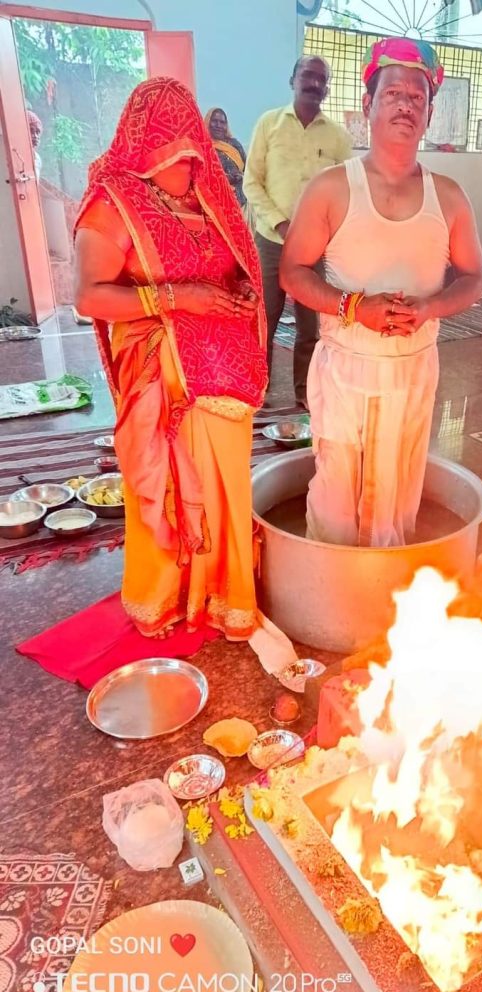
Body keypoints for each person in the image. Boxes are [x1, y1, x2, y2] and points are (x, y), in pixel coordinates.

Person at [74, 77, 268, 640]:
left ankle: (224, 594)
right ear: (142, 141)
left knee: (226, 481)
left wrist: (242, 291)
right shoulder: (113, 202)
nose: (185, 156)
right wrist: (178, 300)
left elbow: (233, 269)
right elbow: (89, 297)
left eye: (189, 143)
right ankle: (164, 596)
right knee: (170, 486)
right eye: (170, 143)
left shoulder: (209, 195)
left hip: (223, 368)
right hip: (162, 371)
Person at [280, 37, 482, 547]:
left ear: (429, 114)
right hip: (346, 371)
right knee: (336, 502)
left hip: (413, 371)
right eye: (393, 93)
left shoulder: (450, 197)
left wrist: (430, 307)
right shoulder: (331, 188)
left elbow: (474, 278)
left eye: (417, 97)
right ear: (368, 104)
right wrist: (353, 307)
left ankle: (385, 588)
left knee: (397, 496)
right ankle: (324, 586)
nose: (405, 105)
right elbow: (293, 272)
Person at [243, 55, 352, 408]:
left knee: (310, 325)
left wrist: (325, 233)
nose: (315, 83)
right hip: (271, 241)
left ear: (327, 88)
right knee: (265, 320)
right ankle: (257, 391)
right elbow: (251, 182)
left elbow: (345, 190)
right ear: (293, 80)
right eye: (308, 75)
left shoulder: (338, 137)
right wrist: (281, 223)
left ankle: (306, 392)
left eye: (322, 79)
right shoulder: (269, 124)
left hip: (316, 247)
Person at [205, 107, 247, 207]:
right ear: (208, 122)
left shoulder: (235, 144)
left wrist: (240, 177)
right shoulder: (204, 146)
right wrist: (228, 178)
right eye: (214, 121)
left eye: (222, 122)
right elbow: (204, 176)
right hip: (217, 202)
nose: (218, 125)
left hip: (242, 200)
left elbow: (248, 171)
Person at [26, 110, 42, 179]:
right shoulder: (15, 155)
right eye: (31, 131)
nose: (35, 136)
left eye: (37, 132)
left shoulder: (37, 159)